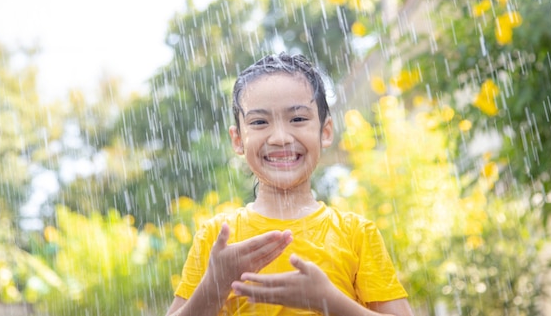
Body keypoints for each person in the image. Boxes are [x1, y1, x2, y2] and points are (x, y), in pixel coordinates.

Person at [165, 53, 414, 316]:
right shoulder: (217, 238)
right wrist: (214, 286)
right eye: (259, 122)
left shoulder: (357, 235)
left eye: (297, 119)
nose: (280, 138)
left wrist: (330, 301)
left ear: (325, 131)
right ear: (238, 139)